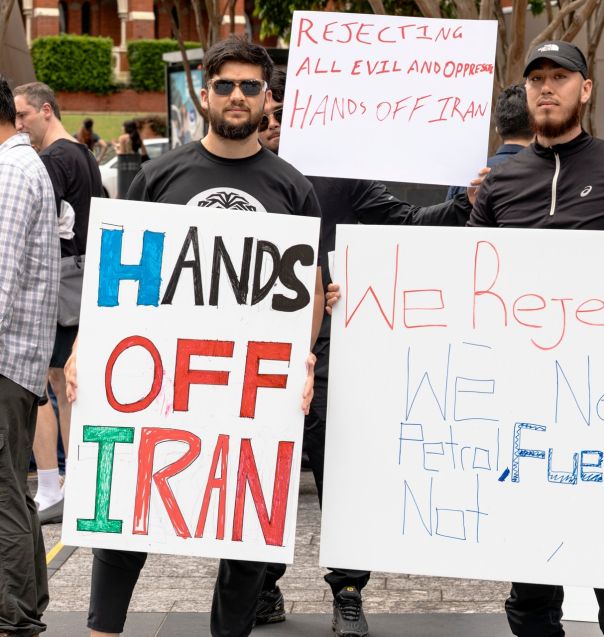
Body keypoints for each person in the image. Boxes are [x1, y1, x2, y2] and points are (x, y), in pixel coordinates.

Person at [79, 36, 325, 637]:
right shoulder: (160, 176)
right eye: (225, 85)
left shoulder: (293, 188)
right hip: (161, 377)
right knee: (128, 511)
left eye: (249, 86)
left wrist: (305, 358)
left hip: (250, 385)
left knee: (245, 528)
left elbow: (313, 285)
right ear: (204, 93)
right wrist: (90, 343)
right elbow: (120, 272)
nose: (236, 96)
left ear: (268, 98)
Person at [255, 67, 474, 637]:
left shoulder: (337, 178)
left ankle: (348, 591)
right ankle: (256, 584)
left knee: (337, 470)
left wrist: (462, 204)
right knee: (258, 468)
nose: (275, 123)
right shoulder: (233, 178)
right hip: (249, 353)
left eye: (285, 114)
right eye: (269, 112)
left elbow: (403, 220)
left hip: (326, 350)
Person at [468, 41, 604, 637]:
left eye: (561, 77)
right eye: (537, 80)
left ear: (587, 89)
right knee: (530, 596)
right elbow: (468, 284)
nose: (547, 88)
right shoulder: (497, 187)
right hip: (523, 411)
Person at [13, 81, 102, 525]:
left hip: (59, 282)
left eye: (23, 115)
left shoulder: (51, 159)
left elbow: (36, 222)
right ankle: (74, 484)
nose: (19, 123)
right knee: (67, 388)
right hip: (83, 281)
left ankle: (51, 486)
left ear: (45, 111)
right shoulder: (83, 153)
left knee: (42, 387)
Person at [0, 74, 58, 637]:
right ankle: (26, 602)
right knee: (11, 487)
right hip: (16, 359)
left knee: (2, 493)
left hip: (4, 360)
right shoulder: (20, 167)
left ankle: (11, 612)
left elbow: (0, 276)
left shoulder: (10, 173)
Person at [446, 83, 533, 200]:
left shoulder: (467, 176)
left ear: (497, 128)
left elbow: (449, 216)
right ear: (537, 126)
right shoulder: (548, 176)